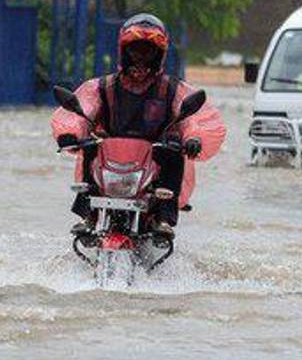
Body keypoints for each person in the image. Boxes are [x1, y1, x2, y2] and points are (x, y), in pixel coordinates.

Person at [50, 13, 226, 237]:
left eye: (147, 51)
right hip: (109, 160)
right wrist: (69, 132)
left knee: (173, 148)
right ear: (124, 51)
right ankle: (88, 214)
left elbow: (197, 118)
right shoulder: (102, 87)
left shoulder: (172, 89)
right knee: (90, 146)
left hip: (154, 163)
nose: (141, 57)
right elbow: (80, 110)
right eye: (135, 50)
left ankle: (163, 217)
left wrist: (194, 138)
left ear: (158, 54)